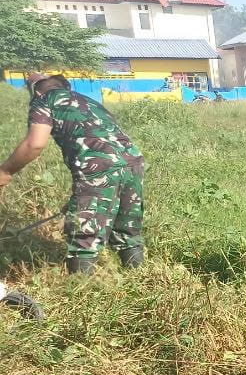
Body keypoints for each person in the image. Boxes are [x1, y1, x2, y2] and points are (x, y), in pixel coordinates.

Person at [0, 73, 146, 274]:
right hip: (133, 161)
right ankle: (139, 275)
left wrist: (6, 171)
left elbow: (35, 144)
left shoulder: (44, 100)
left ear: (37, 90)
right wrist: (82, 197)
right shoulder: (90, 101)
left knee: (83, 233)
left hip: (97, 165)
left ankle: (82, 292)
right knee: (127, 226)